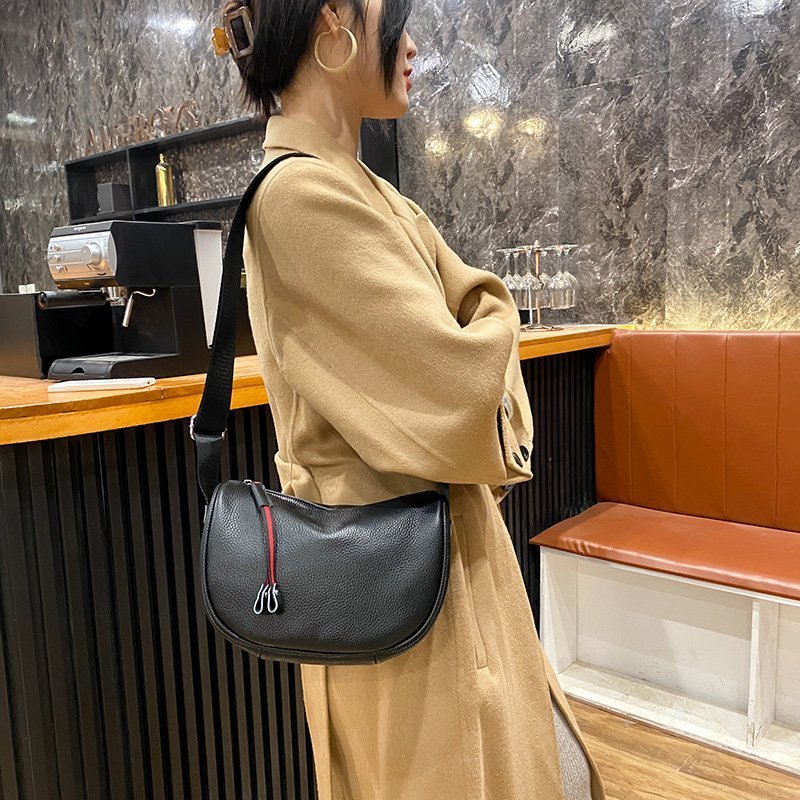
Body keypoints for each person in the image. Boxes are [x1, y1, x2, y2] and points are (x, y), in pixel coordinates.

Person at [218, 0, 608, 798]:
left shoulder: (365, 190)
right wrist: (492, 329)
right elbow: (466, 387)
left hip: (441, 569)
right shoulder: (301, 198)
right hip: (402, 605)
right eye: (394, 12)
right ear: (333, 20)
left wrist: (483, 339)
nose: (415, 44)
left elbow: (470, 355)